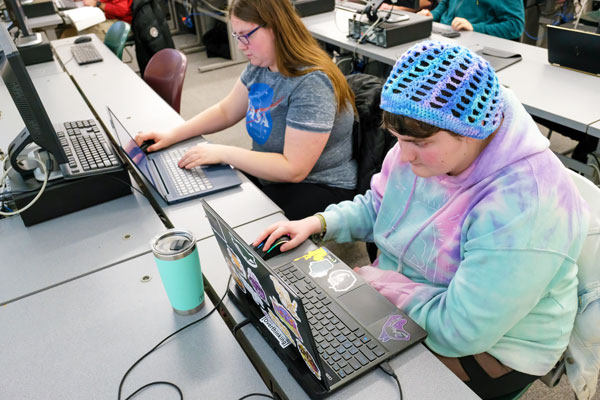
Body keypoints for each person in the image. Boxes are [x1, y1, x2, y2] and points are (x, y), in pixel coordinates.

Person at [253, 41, 590, 399]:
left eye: (418, 142)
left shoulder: (526, 204)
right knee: (302, 346)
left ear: (470, 130)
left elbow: (461, 330)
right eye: (397, 138)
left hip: (498, 346)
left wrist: (371, 287)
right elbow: (382, 205)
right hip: (412, 296)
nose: (404, 154)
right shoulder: (425, 141)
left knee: (345, 382)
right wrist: (319, 223)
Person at [137, 0, 357, 220]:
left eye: (246, 35)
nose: (241, 46)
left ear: (275, 27)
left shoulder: (311, 83)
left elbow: (294, 169)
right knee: (204, 200)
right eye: (237, 36)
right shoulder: (262, 63)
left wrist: (225, 153)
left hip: (319, 184)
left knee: (236, 223)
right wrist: (172, 134)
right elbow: (226, 111)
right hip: (272, 172)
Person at [417, 0, 524, 40]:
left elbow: (515, 26)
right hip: (444, 37)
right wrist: (431, 16)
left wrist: (474, 27)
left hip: (475, 44)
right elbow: (445, 4)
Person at [61, 0, 132, 41]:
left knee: (74, 38)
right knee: (67, 34)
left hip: (120, 22)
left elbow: (121, 10)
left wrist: (97, 3)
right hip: (102, 15)